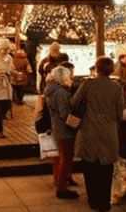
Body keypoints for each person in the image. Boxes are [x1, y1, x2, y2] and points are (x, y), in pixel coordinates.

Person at [72, 57, 123, 212]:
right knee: (106, 169)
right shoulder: (116, 87)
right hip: (108, 131)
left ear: (96, 68)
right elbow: (120, 111)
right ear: (111, 69)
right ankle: (104, 202)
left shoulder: (88, 84)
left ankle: (93, 200)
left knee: (89, 168)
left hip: (89, 130)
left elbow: (74, 102)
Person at [44, 66, 79, 200]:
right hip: (65, 129)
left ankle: (62, 181)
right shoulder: (60, 92)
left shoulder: (51, 90)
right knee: (66, 158)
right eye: (69, 76)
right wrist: (77, 123)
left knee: (63, 156)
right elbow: (65, 114)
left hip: (57, 127)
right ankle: (62, 187)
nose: (70, 78)